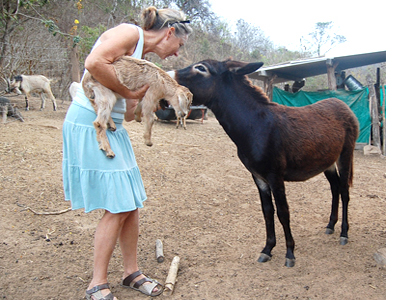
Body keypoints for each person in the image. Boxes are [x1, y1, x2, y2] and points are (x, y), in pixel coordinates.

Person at [62, 6, 192, 300]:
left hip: (115, 128)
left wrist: (147, 105)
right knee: (118, 204)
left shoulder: (142, 59)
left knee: (130, 201)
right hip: (90, 121)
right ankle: (97, 283)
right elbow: (95, 63)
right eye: (179, 45)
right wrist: (131, 93)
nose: (176, 53)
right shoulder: (129, 33)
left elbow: (131, 111)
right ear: (169, 32)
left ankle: (130, 272)